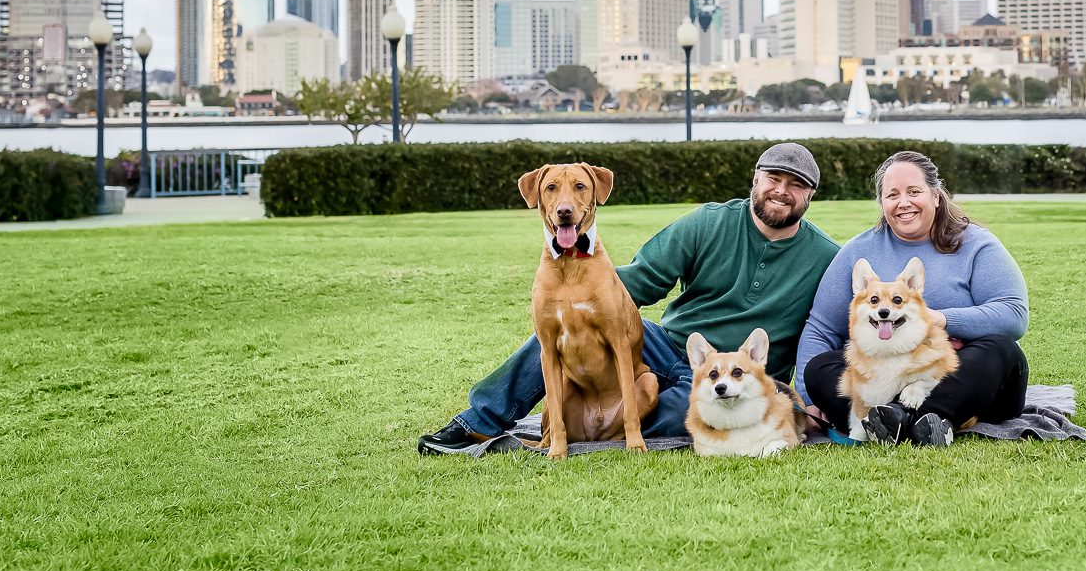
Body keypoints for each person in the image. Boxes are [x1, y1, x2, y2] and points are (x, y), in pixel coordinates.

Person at [418, 143, 840, 454]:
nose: (782, 191)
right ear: (756, 180)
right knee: (567, 326)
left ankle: (593, 426)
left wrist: (806, 393)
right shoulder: (708, 223)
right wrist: (576, 299)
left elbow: (827, 332)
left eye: (796, 185)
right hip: (667, 345)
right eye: (774, 179)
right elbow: (639, 281)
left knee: (693, 415)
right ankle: (475, 422)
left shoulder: (825, 256)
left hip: (735, 375)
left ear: (810, 196)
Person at [796, 149, 1029, 447]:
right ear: (882, 203)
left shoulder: (977, 244)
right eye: (892, 195)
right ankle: (912, 424)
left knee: (1001, 349)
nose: (903, 202)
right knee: (821, 367)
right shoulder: (859, 251)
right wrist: (807, 394)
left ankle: (908, 418)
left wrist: (940, 319)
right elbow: (821, 328)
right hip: (884, 376)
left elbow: (1014, 314)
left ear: (936, 195)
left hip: (962, 375)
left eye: (914, 191)